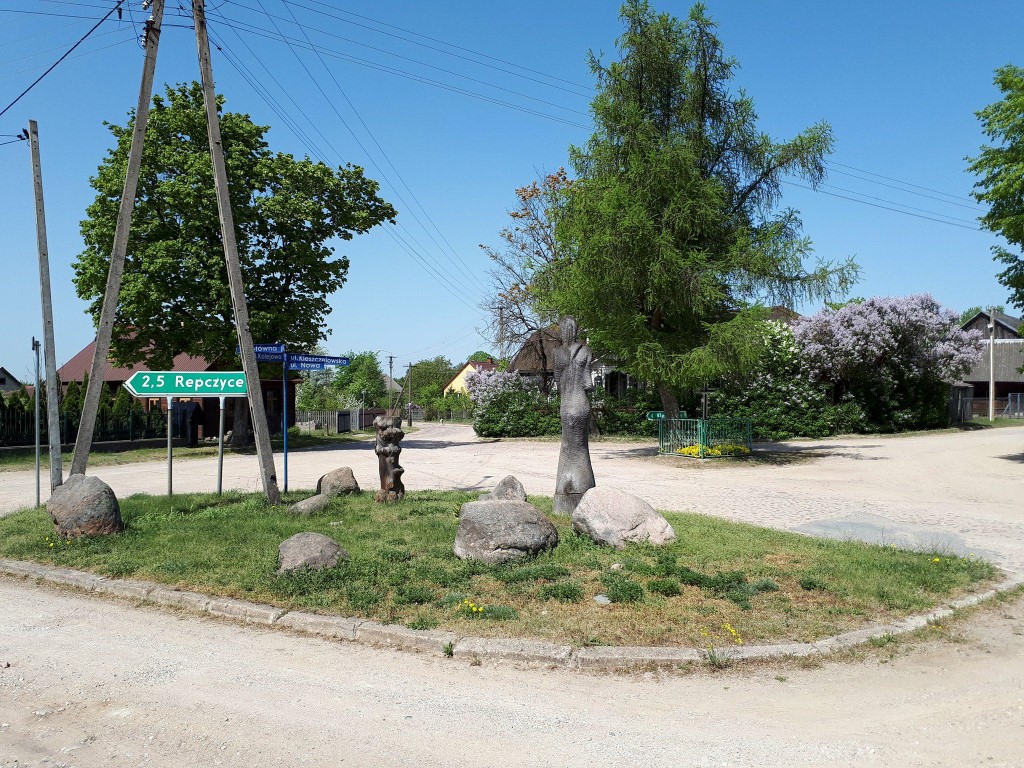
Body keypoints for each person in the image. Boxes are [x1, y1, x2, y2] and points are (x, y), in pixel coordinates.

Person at [552, 317, 596, 514]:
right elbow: (588, 384)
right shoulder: (586, 351)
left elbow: (557, 380)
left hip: (566, 405)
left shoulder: (557, 353)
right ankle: (585, 493)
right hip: (581, 406)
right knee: (581, 448)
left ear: (563, 331)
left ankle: (564, 495)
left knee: (567, 447)